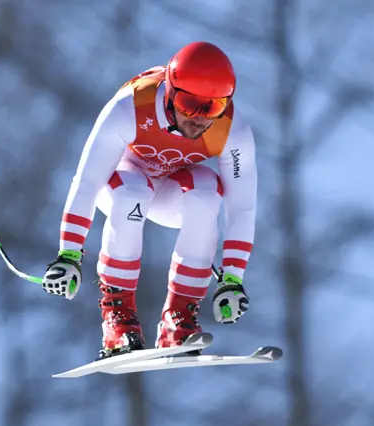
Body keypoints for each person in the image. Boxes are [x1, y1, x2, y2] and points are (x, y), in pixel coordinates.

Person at [41, 41, 257, 359]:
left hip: (170, 192)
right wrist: (69, 255)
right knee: (132, 194)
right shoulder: (132, 105)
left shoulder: (231, 129)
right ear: (169, 92)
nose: (198, 118)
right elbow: (87, 181)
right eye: (189, 105)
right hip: (120, 185)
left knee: (207, 195)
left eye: (210, 108)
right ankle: (118, 321)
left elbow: (242, 206)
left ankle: (178, 322)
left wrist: (232, 278)